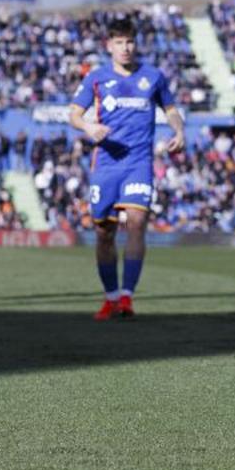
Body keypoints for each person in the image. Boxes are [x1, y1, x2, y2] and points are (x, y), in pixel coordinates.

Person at [69, 17, 184, 320]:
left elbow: (171, 110)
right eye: (119, 42)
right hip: (106, 163)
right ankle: (110, 298)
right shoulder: (96, 77)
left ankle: (127, 297)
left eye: (130, 42)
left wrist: (179, 131)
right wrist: (88, 126)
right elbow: (74, 114)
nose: (125, 48)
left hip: (138, 163)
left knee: (136, 222)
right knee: (104, 232)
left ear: (136, 43)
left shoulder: (153, 76)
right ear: (109, 45)